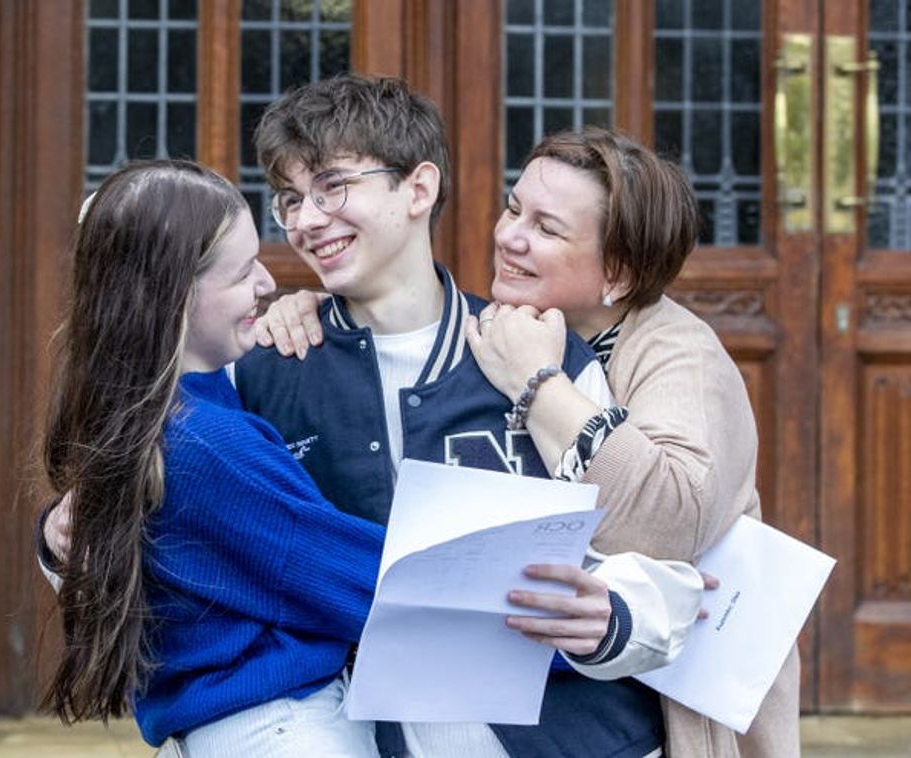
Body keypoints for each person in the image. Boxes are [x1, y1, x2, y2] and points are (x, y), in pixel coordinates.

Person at [266, 125, 801, 757]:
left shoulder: (676, 355)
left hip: (677, 700)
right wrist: (314, 307)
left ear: (619, 272)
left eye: (547, 229)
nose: (509, 236)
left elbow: (668, 524)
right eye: (514, 208)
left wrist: (541, 384)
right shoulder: (515, 322)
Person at [39, 159, 386, 756]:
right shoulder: (205, 444)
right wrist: (551, 612)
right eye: (243, 272)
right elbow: (368, 585)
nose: (265, 285)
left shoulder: (138, 412)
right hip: (282, 731)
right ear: (174, 294)